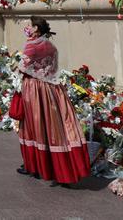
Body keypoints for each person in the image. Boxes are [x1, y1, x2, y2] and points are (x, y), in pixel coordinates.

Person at [15, 17, 91, 186]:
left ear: (36, 29)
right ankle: (55, 167)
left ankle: (34, 166)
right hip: (51, 89)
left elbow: (21, 67)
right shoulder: (51, 45)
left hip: (33, 89)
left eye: (29, 25)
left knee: (33, 126)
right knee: (53, 127)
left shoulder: (31, 45)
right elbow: (53, 68)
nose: (26, 27)